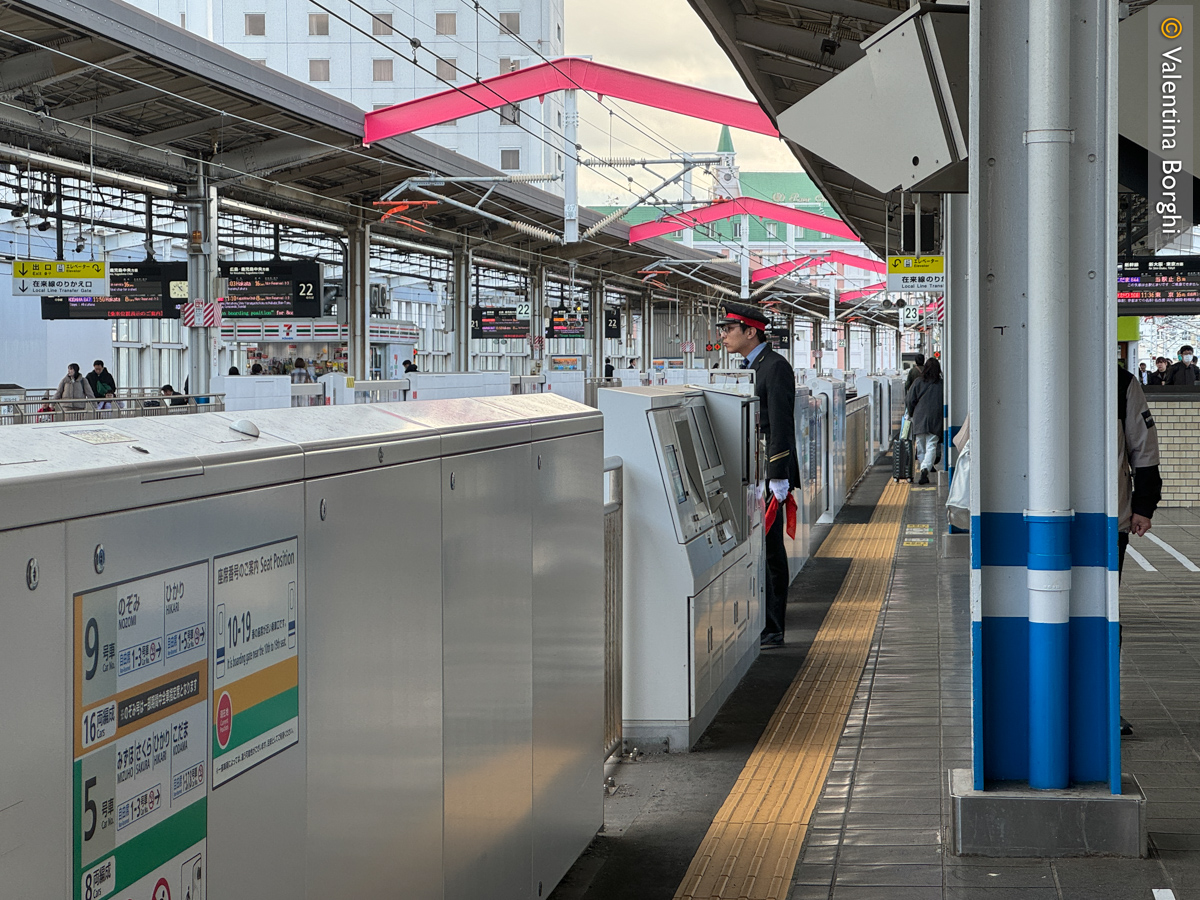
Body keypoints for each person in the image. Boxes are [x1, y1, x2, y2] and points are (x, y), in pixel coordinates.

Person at [718, 302, 799, 648]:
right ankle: (763, 619)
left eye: (729, 328)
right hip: (754, 470)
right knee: (760, 547)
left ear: (751, 331)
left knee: (770, 548)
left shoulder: (775, 368)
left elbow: (781, 424)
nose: (722, 335)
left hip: (769, 471)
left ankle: (774, 626)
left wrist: (777, 475)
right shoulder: (751, 367)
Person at [1117, 366, 1162, 735]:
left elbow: (1144, 451)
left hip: (1107, 521)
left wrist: (1143, 506)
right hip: (1105, 519)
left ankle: (1103, 700)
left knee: (1103, 613)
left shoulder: (1120, 382)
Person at [906, 357, 944, 485]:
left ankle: (924, 468)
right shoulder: (941, 384)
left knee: (921, 446)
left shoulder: (917, 382)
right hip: (935, 418)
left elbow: (910, 400)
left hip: (919, 417)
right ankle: (925, 468)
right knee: (931, 445)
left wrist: (911, 413)